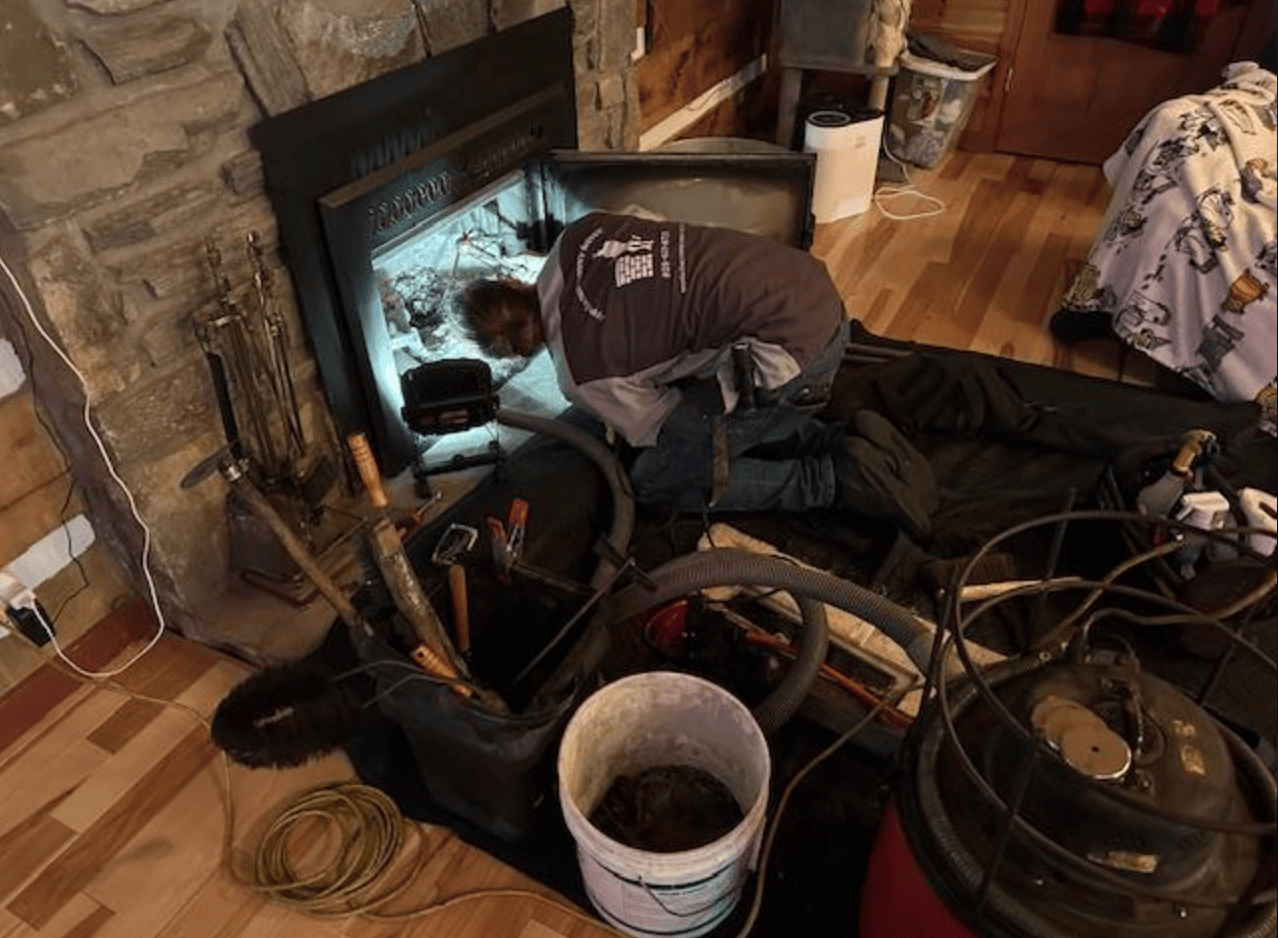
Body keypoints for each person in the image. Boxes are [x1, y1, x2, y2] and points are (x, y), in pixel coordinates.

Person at [459, 211, 937, 535]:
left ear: (513, 354)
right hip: (810, 287)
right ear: (512, 281)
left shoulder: (579, 376)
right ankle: (832, 440)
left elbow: (668, 424)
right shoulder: (577, 236)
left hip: (798, 359)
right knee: (708, 399)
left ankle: (831, 479)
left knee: (659, 481)